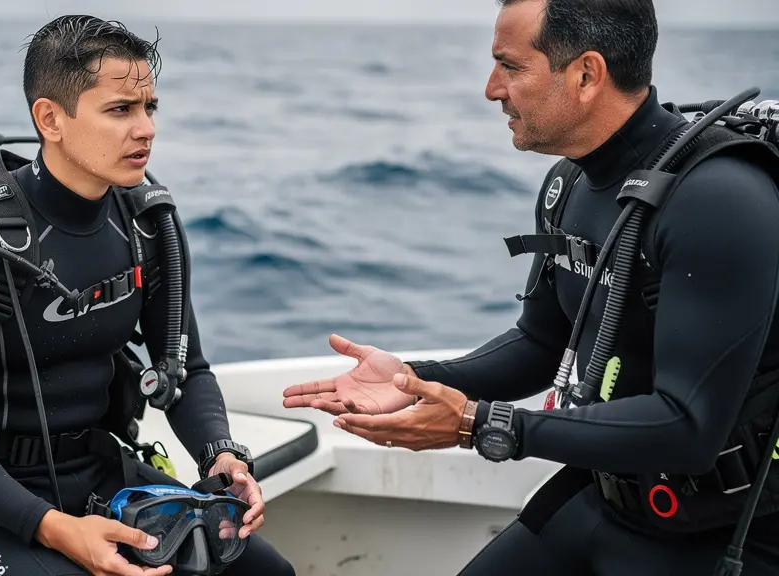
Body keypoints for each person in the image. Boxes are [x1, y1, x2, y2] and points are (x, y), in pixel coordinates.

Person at [283, 0, 779, 574]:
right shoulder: (569, 184)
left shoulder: (719, 201)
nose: (491, 89)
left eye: (511, 66)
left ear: (586, 75)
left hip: (725, 534)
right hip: (609, 497)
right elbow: (542, 342)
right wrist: (414, 379)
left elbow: (687, 427)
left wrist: (483, 425)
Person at [0, 15, 294, 576]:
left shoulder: (147, 226)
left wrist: (219, 453)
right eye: (120, 110)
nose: (146, 129)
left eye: (150, 107)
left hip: (97, 469)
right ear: (50, 118)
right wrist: (56, 528)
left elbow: (185, 370)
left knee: (267, 572)